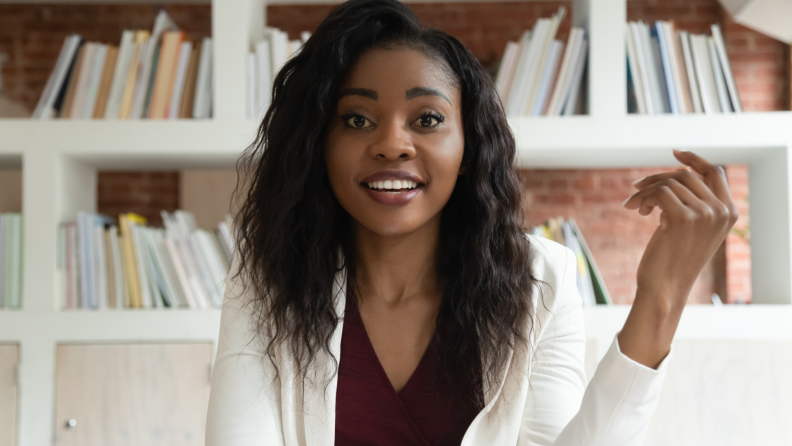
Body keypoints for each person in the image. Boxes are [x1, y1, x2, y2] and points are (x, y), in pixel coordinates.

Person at [205, 0, 738, 444]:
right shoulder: (269, 274)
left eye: (428, 119)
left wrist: (661, 299)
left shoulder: (542, 280)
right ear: (319, 145)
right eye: (357, 119)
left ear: (469, 146)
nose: (392, 143)